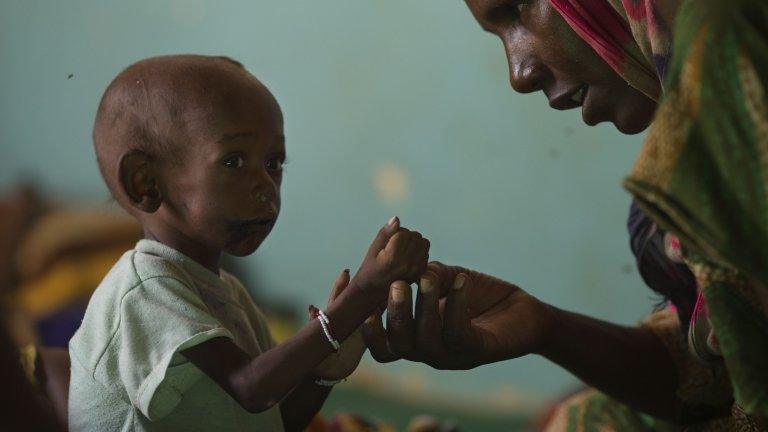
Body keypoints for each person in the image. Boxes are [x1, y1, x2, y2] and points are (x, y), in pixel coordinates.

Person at [363, 0, 767, 430]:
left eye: (517, 9)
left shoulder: (725, 45)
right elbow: (720, 373)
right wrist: (543, 327)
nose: (519, 75)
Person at [67, 54, 431, 432]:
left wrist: (323, 373)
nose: (265, 188)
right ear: (146, 183)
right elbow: (251, 389)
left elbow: (273, 420)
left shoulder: (229, 296)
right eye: (234, 162)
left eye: (274, 163)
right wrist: (358, 295)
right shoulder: (142, 290)